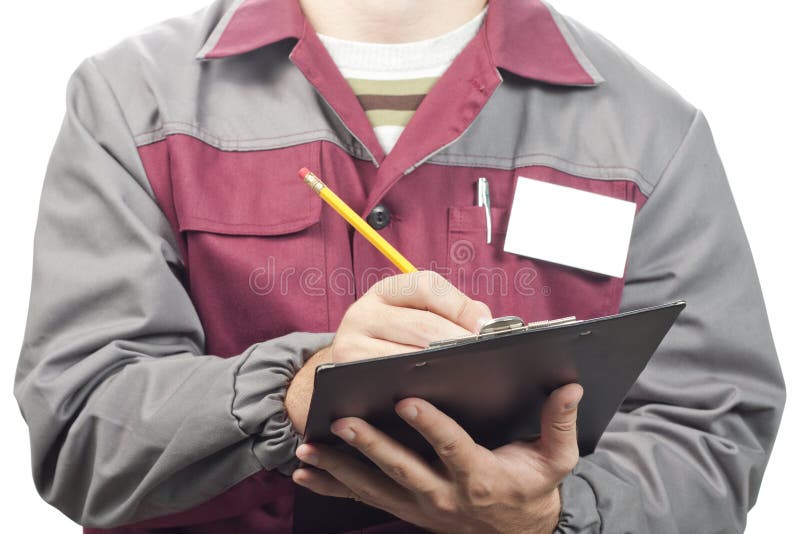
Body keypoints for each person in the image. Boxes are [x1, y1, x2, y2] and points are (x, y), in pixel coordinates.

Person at [14, 0, 785, 532]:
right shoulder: (131, 102)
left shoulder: (650, 133)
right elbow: (79, 431)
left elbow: (713, 435)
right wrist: (294, 391)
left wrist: (551, 517)